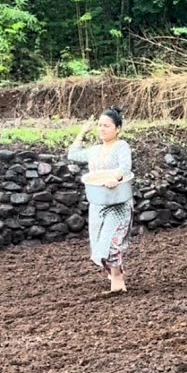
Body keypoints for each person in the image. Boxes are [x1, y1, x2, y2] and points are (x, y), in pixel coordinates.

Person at [67, 107, 134, 293]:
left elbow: (125, 167)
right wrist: (82, 132)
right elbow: (73, 154)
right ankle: (115, 275)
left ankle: (118, 283)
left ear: (117, 128)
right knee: (99, 246)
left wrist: (117, 178)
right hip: (98, 202)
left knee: (112, 242)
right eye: (99, 125)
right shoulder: (95, 150)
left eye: (106, 125)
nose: (102, 129)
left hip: (118, 202)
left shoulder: (122, 146)